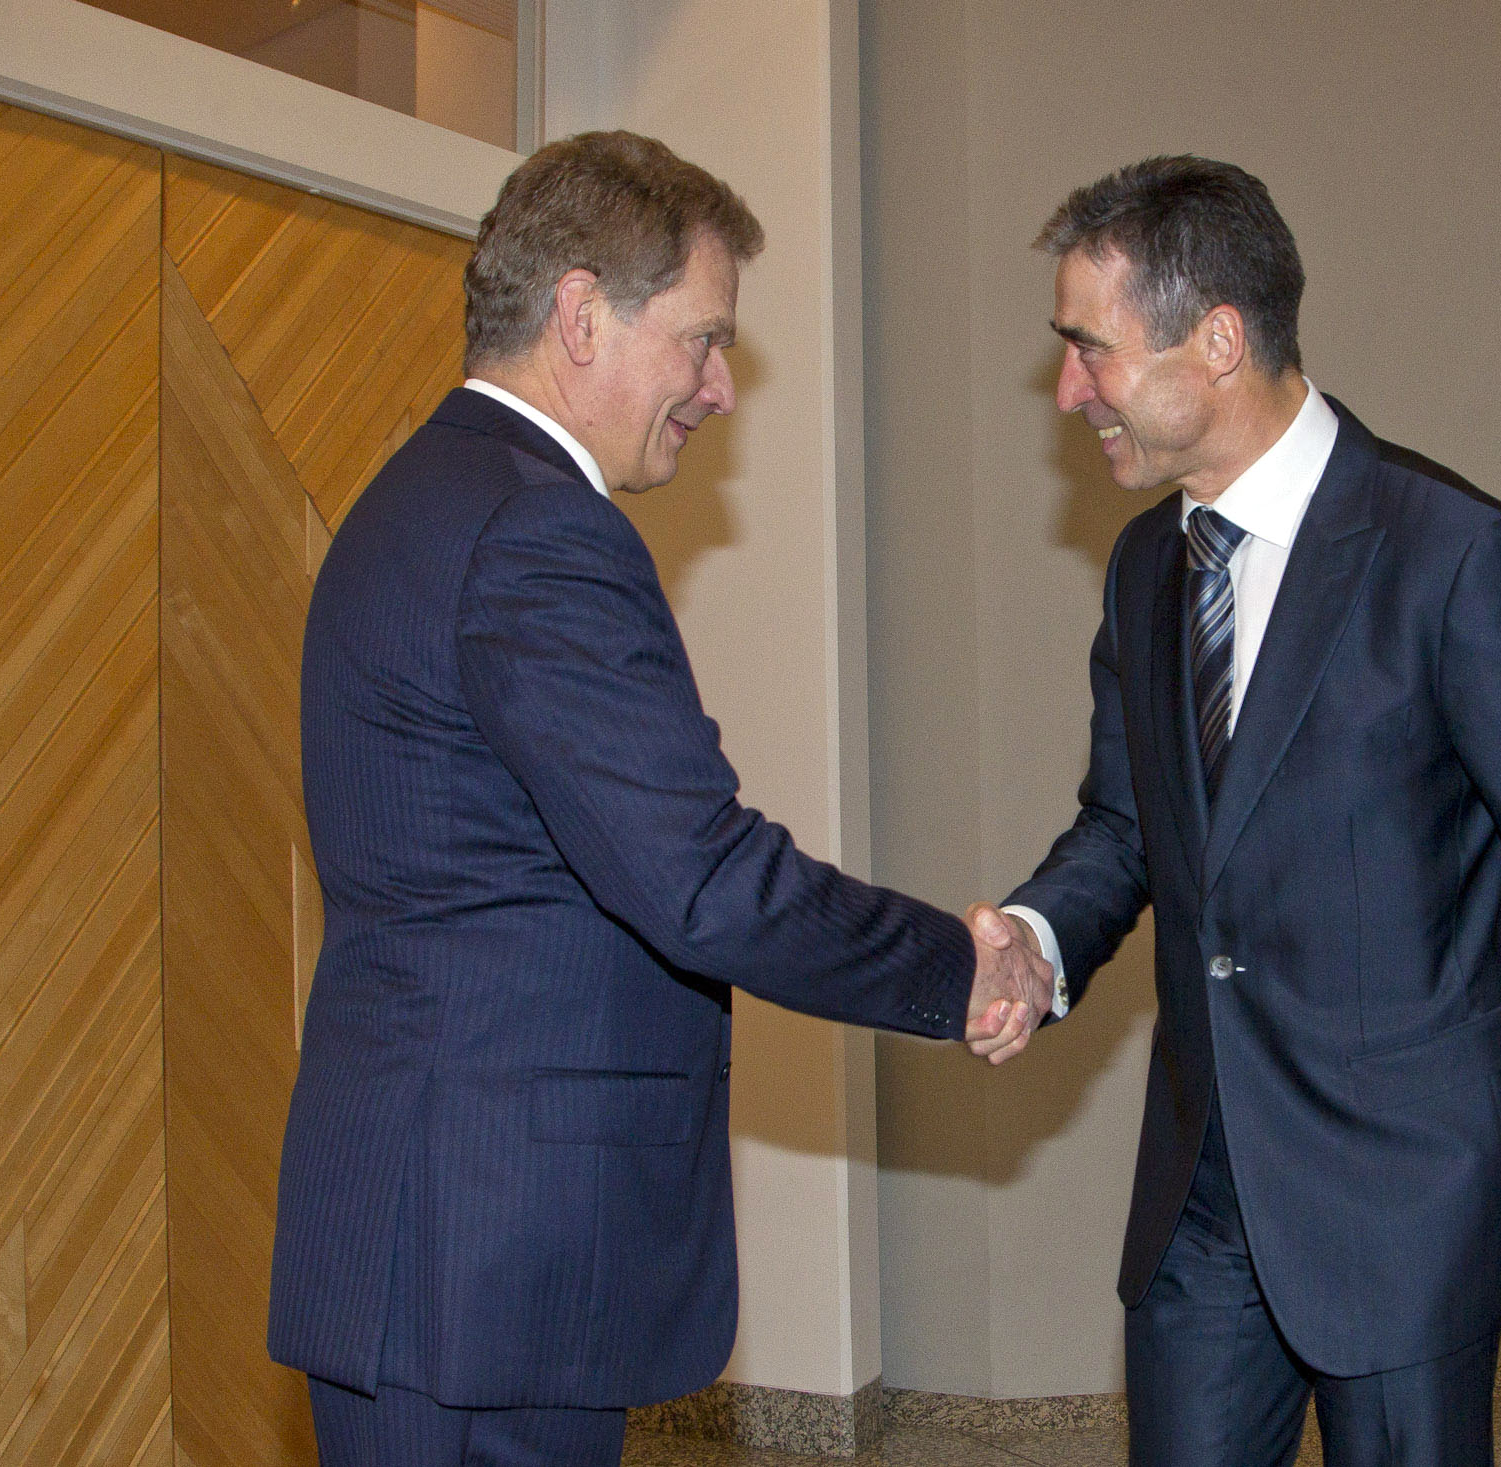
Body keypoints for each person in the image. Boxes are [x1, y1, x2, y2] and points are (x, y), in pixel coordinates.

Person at [268, 131, 1051, 1467]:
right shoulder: (536, 530)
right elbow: (700, 880)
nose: (719, 388)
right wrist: (964, 966)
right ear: (580, 316)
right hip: (488, 1269)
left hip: (436, 1252)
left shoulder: (419, 500)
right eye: (700, 340)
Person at [981, 156, 1501, 1467]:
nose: (1068, 386)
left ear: (1218, 341)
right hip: (1203, 1210)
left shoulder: (1458, 560)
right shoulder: (1150, 565)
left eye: (1089, 349)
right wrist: (1039, 937)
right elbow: (1129, 827)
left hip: (1406, 1204)